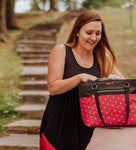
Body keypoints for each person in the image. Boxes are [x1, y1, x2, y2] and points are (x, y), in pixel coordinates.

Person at [40, 10, 124, 150]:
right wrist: (79, 77)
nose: (93, 37)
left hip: (88, 127)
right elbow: (53, 88)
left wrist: (112, 81)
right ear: (77, 31)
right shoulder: (61, 51)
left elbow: (122, 82)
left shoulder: (102, 57)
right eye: (89, 32)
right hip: (59, 125)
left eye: (98, 34)